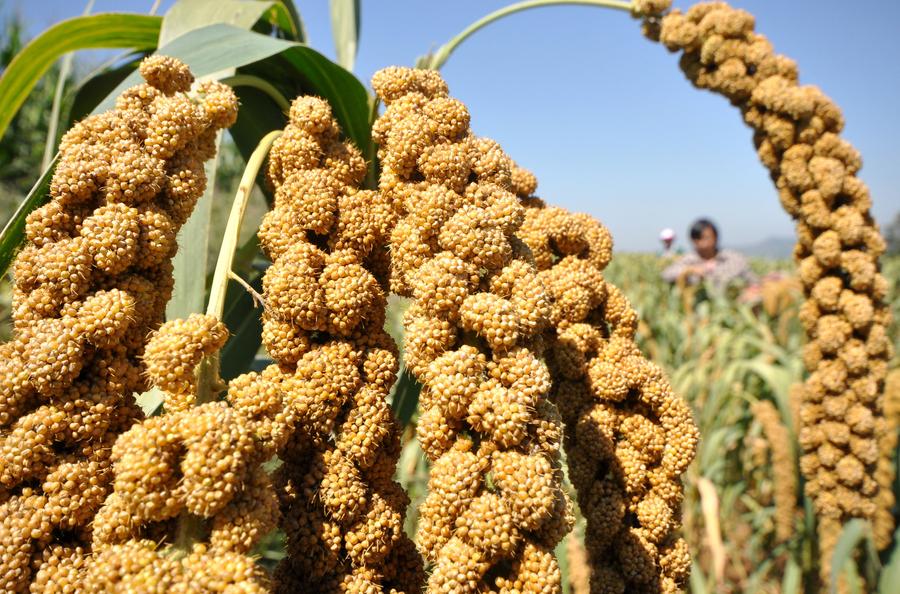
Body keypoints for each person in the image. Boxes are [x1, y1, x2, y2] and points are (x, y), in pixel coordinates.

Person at [661, 218, 756, 289]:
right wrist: (690, 270)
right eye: (698, 239)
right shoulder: (689, 260)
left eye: (706, 238)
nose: (702, 243)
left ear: (716, 237)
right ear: (693, 241)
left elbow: (751, 279)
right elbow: (666, 275)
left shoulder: (732, 258)